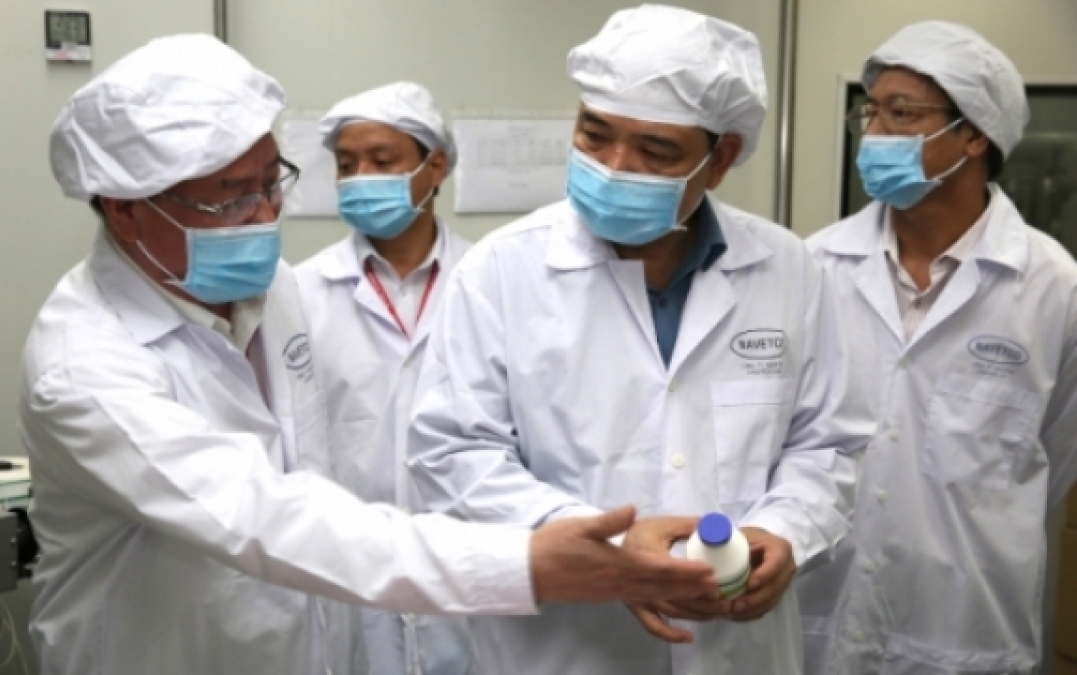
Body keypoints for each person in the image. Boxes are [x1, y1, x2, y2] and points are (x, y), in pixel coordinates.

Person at [20, 33, 722, 675]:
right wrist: (533, 561)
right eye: (230, 200)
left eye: (272, 181)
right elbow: (267, 514)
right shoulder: (84, 369)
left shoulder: (274, 291)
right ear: (125, 208)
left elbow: (316, 474)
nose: (267, 215)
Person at [405, 6, 872, 674]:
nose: (616, 166)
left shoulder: (788, 269)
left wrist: (786, 530)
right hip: (563, 646)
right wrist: (610, 546)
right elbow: (450, 451)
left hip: (734, 647)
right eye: (595, 135)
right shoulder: (502, 270)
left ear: (721, 160)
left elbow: (825, 442)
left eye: (655, 150)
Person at [798, 21, 1077, 675]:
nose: (874, 134)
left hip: (964, 635)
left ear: (974, 133)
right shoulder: (813, 267)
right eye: (870, 113)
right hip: (819, 621)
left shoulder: (1053, 287)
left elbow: (1052, 460)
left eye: (900, 113)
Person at [294, 82, 477, 675]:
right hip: (351, 573)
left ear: (436, 166)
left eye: (382, 161)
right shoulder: (300, 293)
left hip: (467, 570)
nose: (360, 177)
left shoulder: (490, 281)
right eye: (346, 166)